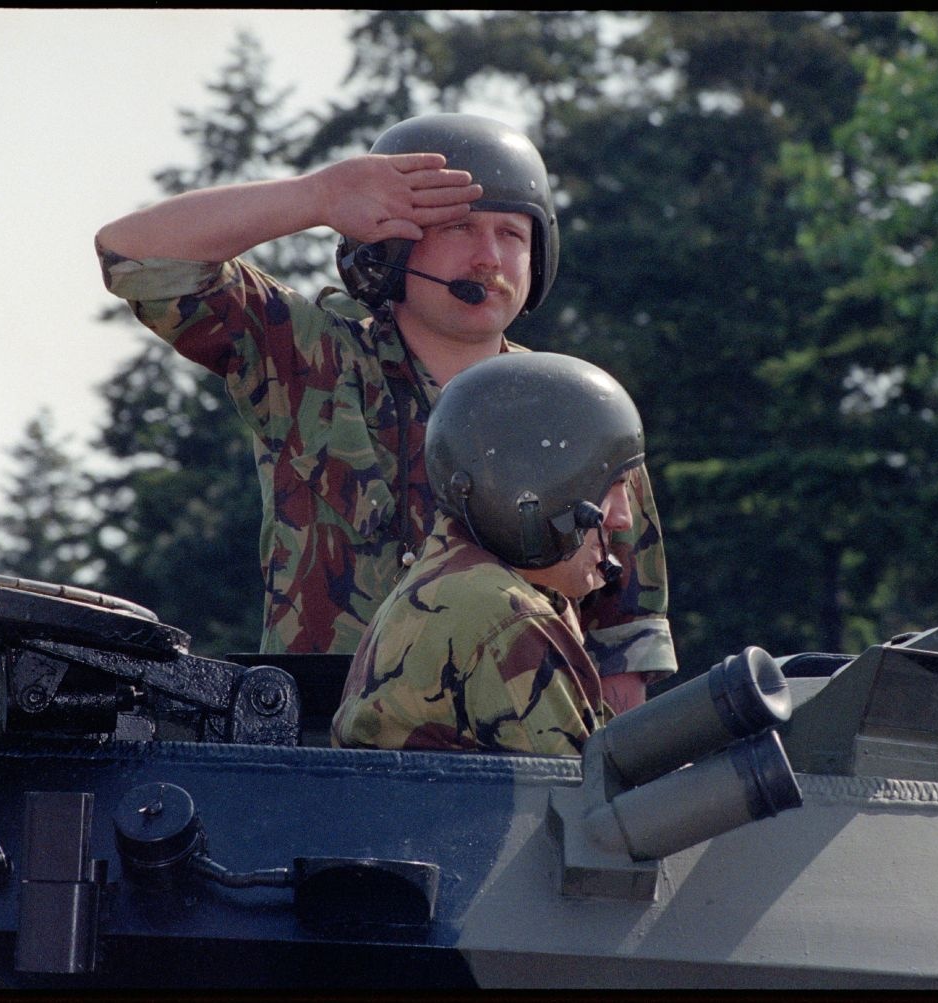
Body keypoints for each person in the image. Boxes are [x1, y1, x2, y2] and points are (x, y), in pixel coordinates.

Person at [96, 112, 675, 710]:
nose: (488, 258)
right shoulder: (312, 362)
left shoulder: (579, 415)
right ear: (390, 248)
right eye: (458, 228)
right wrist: (316, 196)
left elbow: (623, 643)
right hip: (329, 741)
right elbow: (133, 254)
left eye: (512, 235)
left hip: (521, 748)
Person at [331, 352, 642, 755]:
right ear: (540, 486)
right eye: (612, 485)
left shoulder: (453, 581)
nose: (623, 519)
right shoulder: (499, 614)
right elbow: (590, 803)